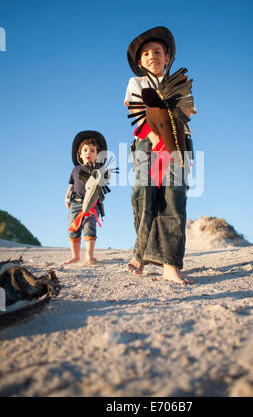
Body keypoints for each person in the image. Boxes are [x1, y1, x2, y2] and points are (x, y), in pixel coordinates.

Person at [124, 26, 197, 284]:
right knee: (144, 196)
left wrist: (170, 135)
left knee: (173, 198)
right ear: (139, 62)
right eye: (145, 54)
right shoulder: (137, 83)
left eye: (157, 51)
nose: (152, 56)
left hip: (178, 144)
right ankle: (141, 253)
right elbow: (136, 116)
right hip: (147, 144)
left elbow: (186, 113)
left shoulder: (180, 82)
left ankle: (170, 264)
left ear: (168, 57)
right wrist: (156, 137)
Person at [64, 130, 107, 265]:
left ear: (97, 155)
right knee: (73, 229)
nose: (89, 153)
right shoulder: (75, 170)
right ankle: (75, 256)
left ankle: (89, 255)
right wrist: (66, 197)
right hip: (76, 203)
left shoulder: (98, 171)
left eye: (93, 151)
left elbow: (102, 186)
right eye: (85, 150)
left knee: (89, 227)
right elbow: (71, 185)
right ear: (80, 154)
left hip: (92, 204)